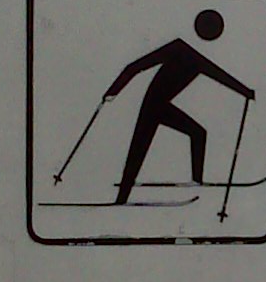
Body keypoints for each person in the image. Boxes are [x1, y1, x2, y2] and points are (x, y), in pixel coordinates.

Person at [104, 10, 253, 204]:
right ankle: (121, 198)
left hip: (162, 107)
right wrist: (112, 92)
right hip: (151, 106)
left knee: (198, 133)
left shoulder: (198, 60)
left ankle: (196, 181)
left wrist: (246, 92)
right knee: (138, 149)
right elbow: (134, 67)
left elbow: (221, 76)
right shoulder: (178, 48)